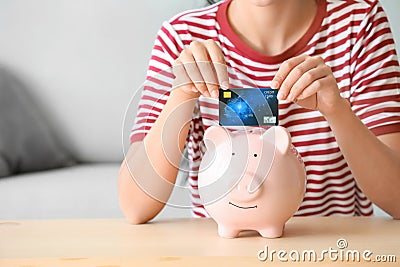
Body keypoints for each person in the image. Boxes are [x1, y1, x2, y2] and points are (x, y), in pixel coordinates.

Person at [118, 0, 400, 224]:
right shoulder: (181, 38)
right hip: (223, 250)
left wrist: (337, 111)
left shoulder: (359, 23)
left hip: (330, 250)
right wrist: (180, 95)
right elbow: (134, 206)